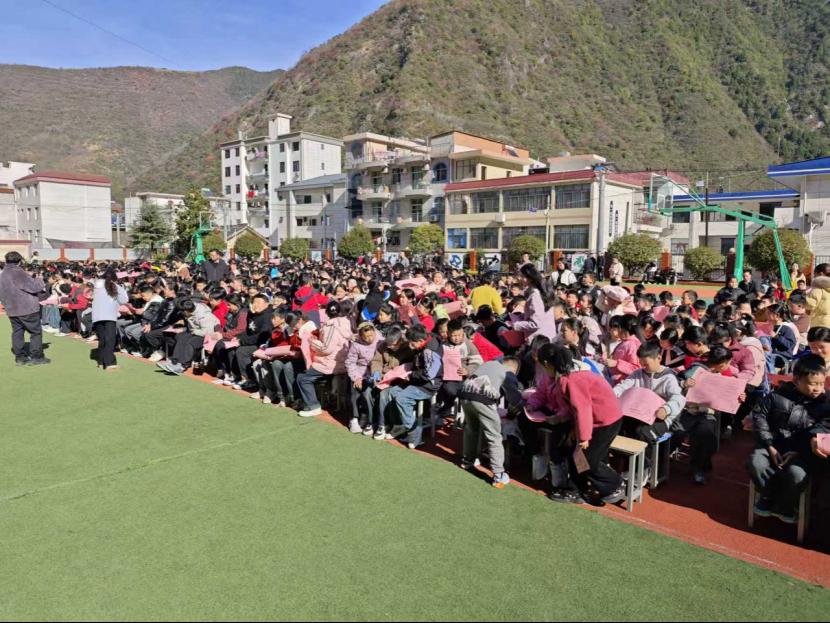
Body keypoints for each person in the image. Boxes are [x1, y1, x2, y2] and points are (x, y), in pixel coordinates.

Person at [537, 344, 624, 506]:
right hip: (595, 419)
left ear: (547, 364)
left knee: (587, 459)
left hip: (605, 420)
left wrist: (583, 437)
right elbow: (572, 407)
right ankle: (576, 489)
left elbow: (582, 408)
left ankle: (614, 484)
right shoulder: (568, 374)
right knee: (576, 455)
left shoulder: (571, 379)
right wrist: (563, 420)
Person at [748, 355, 827, 523]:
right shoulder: (776, 396)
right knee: (756, 462)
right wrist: (769, 445)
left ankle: (786, 504)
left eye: (821, 384)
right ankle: (768, 497)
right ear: (796, 380)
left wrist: (799, 451)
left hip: (803, 453)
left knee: (796, 474)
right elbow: (759, 417)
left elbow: (823, 428)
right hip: (773, 445)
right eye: (812, 384)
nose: (817, 389)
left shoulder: (826, 405)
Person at [458, 356, 522, 488]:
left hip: (465, 393)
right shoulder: (508, 372)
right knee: (494, 436)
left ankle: (467, 461)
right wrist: (522, 405)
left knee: (471, 429)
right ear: (514, 369)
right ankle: (498, 474)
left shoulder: (489, 364)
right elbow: (515, 398)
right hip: (482, 398)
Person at [0, 251, 49, 366]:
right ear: (19, 261)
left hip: (12, 308)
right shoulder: (18, 273)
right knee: (35, 332)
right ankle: (36, 357)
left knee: (17, 332)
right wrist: (39, 279)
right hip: (26, 308)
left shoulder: (3, 274)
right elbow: (34, 287)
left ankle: (20, 357)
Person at [345, 322, 382, 434]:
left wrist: (376, 374)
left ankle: (366, 415)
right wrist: (356, 377)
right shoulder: (356, 345)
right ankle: (354, 418)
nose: (370, 338)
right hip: (360, 372)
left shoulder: (380, 342)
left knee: (368, 393)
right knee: (354, 389)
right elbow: (350, 362)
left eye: (371, 335)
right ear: (361, 336)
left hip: (375, 372)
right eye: (366, 337)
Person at [90, 269, 129, 371]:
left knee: (102, 339)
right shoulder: (115, 286)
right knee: (110, 339)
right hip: (109, 315)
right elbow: (124, 300)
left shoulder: (96, 285)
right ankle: (110, 363)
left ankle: (101, 361)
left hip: (97, 315)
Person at [806, 264, 830, 328]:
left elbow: (810, 305)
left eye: (814, 274)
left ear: (821, 274)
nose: (814, 276)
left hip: (820, 323)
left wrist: (803, 298)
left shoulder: (818, 288)